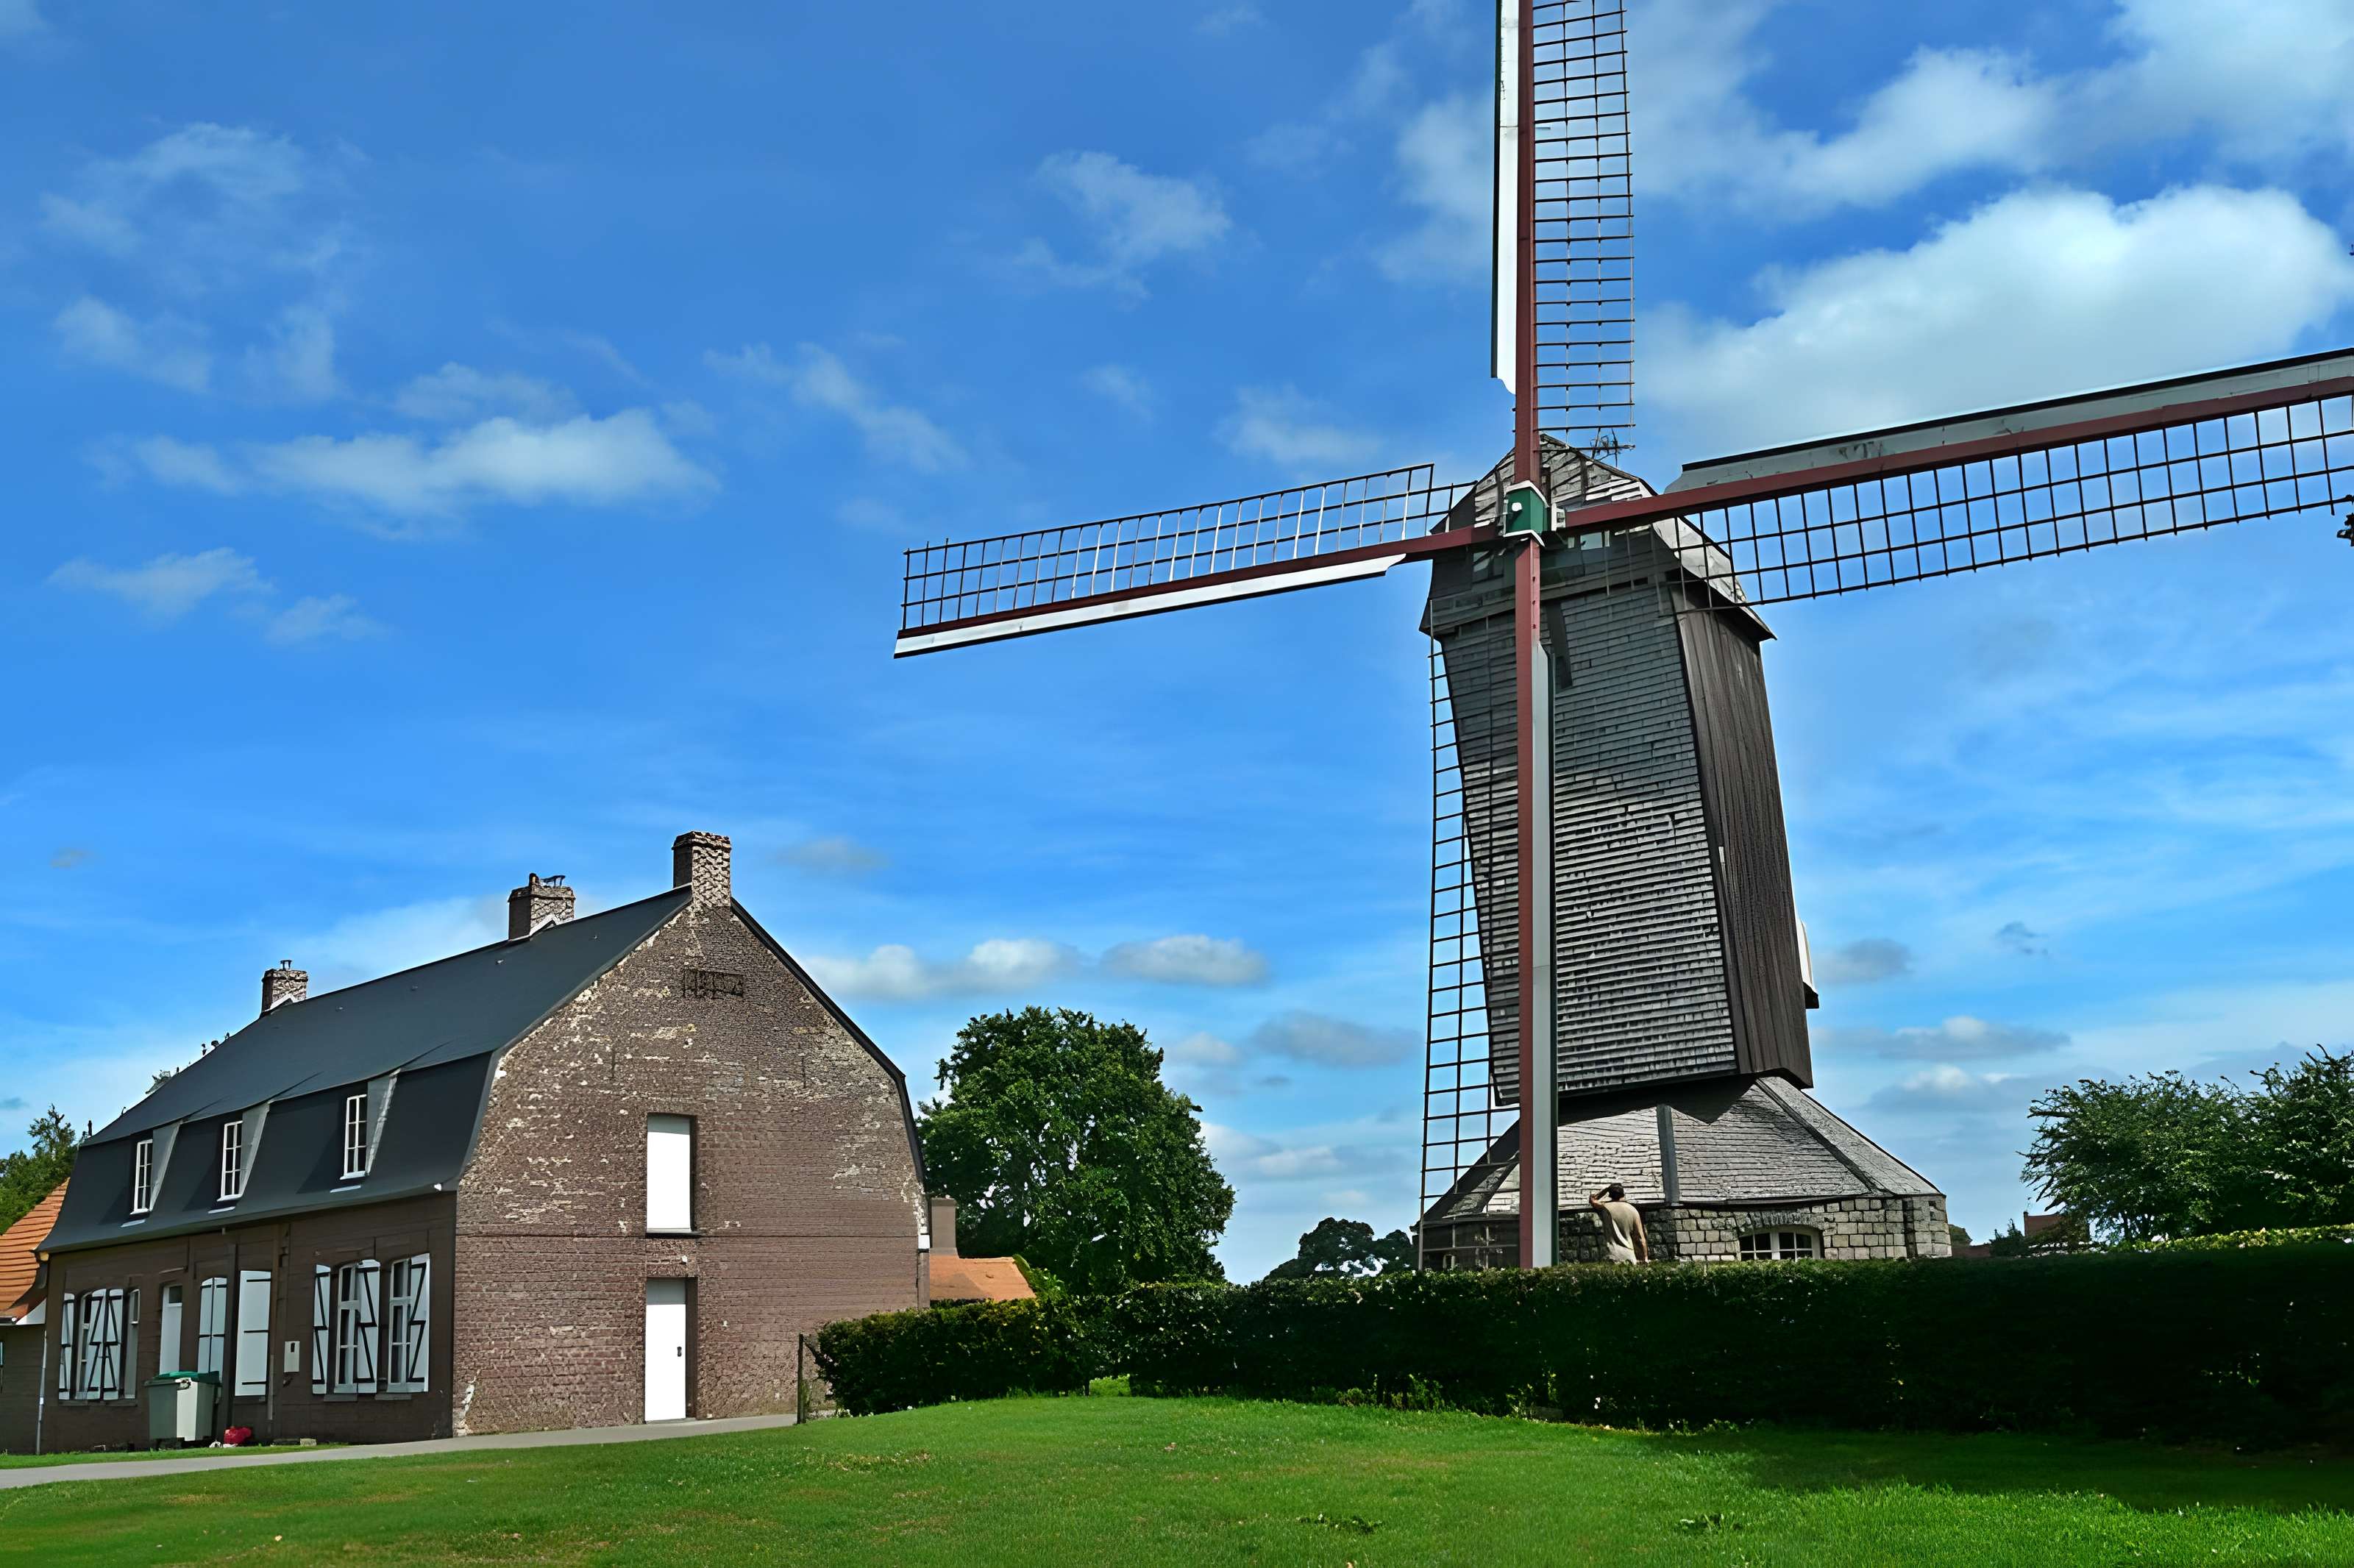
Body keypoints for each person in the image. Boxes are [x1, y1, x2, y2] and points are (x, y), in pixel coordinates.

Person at [1588, 1183, 1649, 1264]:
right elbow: (1640, 1238)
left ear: (1610, 1195)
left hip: (1612, 1256)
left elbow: (1593, 1199)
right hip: (1629, 1257)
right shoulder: (1633, 1210)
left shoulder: (1604, 1208)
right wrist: (1645, 1258)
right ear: (1623, 1194)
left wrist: (1607, 1189)